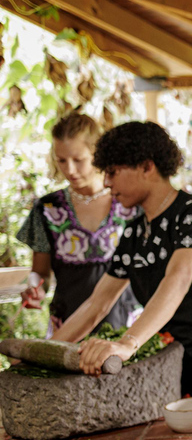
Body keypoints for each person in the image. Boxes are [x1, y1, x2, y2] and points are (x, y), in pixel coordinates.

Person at [51, 121, 192, 408]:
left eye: (113, 172)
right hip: (173, 368)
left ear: (146, 166)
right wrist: (46, 351)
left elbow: (177, 280)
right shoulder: (134, 233)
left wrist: (128, 343)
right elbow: (96, 305)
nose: (106, 182)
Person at [16, 113, 141, 337]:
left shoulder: (130, 204)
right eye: (61, 160)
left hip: (126, 329)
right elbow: (40, 272)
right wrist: (35, 289)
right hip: (67, 330)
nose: (70, 170)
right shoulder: (47, 209)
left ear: (97, 153)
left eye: (78, 160)